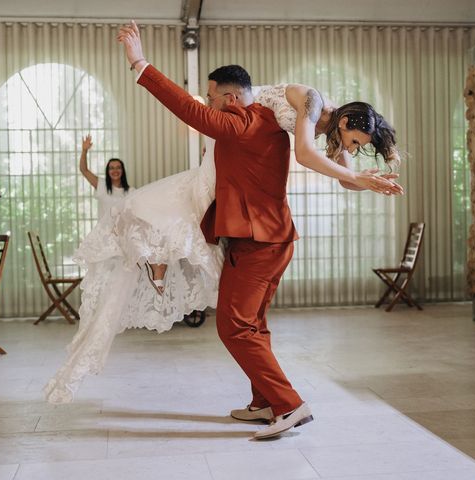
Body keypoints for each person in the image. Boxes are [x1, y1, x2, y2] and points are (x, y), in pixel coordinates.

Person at [44, 26, 403, 415]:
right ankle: (265, 402)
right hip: (266, 237)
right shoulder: (292, 114)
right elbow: (306, 153)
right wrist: (360, 179)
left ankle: (288, 404)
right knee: (253, 327)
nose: (210, 104)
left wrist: (139, 63)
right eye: (352, 144)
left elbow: (192, 109)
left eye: (214, 98)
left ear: (230, 97)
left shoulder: (248, 125)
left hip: (261, 241)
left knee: (234, 327)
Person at [78, 134, 133, 219]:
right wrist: (84, 150)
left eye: (118, 168)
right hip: (103, 232)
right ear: (108, 171)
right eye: (112, 168)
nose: (115, 171)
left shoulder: (131, 191)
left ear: (123, 171)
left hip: (123, 232)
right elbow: (84, 170)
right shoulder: (101, 185)